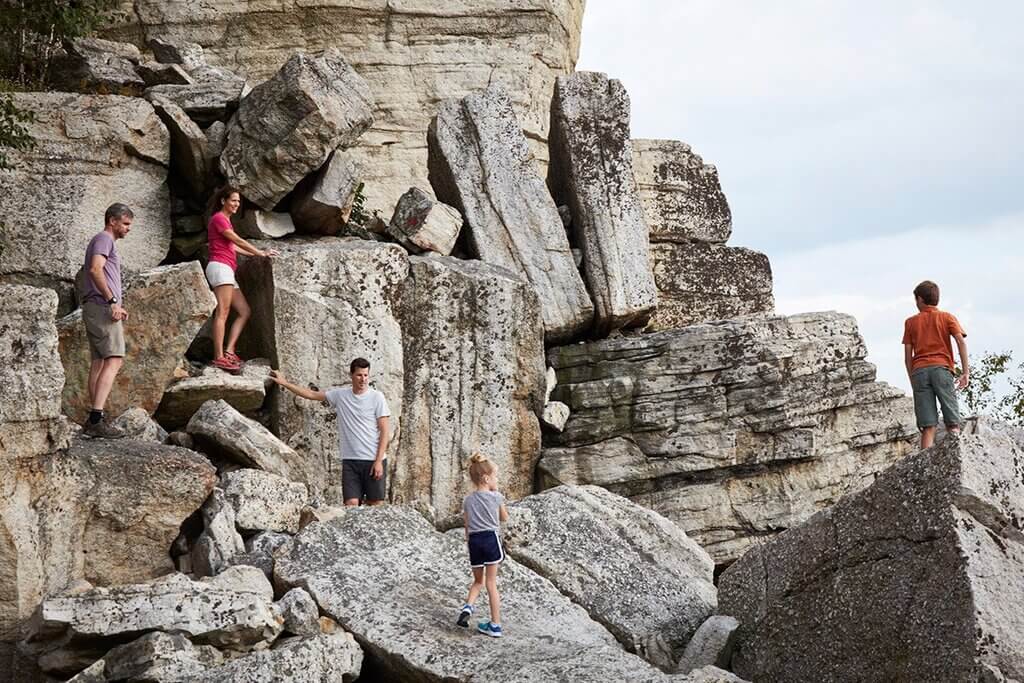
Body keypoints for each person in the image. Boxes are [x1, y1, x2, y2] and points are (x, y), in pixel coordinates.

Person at [269, 358, 391, 505]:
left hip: (373, 459)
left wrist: (378, 461)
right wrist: (285, 383)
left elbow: (384, 430)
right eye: (359, 375)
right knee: (351, 504)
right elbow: (312, 395)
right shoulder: (340, 395)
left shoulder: (377, 397)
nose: (363, 379)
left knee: (375, 505)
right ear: (351, 375)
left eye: (366, 375)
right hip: (350, 460)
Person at [205, 186, 278, 373]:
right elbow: (237, 240)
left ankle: (229, 351)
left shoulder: (226, 221)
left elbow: (234, 248)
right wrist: (260, 252)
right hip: (220, 268)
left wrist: (259, 255)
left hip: (226, 269)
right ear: (223, 201)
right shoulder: (219, 219)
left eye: (238, 201)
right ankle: (219, 357)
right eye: (233, 200)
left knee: (245, 310)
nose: (237, 204)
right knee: (223, 312)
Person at [78, 203, 133, 438]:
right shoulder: (104, 239)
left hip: (95, 306)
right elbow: (95, 269)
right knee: (114, 359)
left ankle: (94, 417)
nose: (128, 229)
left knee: (99, 362)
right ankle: (97, 418)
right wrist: (112, 301)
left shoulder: (102, 240)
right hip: (102, 307)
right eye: (126, 223)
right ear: (112, 221)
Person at [903, 280, 969, 449]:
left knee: (928, 426)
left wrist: (912, 379)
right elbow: (961, 342)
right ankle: (956, 460)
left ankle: (925, 467)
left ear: (919, 299)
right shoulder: (947, 317)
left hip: (919, 371)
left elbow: (908, 357)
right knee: (952, 423)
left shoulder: (910, 322)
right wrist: (965, 372)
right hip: (942, 369)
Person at [456, 453, 508, 638]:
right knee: (491, 583)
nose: (497, 480)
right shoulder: (496, 496)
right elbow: (504, 517)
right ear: (486, 478)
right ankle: (495, 625)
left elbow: (467, 525)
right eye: (495, 476)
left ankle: (468, 607)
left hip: (474, 542)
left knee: (478, 581)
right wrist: (497, 496)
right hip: (490, 539)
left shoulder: (468, 500)